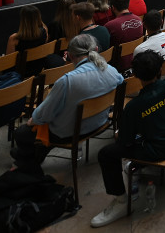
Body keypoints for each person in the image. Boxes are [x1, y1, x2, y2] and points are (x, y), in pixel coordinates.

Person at [90, 51, 165, 227]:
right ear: (160, 69)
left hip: (160, 150)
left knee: (106, 153)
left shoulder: (134, 106)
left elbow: (125, 142)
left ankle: (120, 202)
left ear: (135, 75)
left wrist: (121, 133)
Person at [12, 34, 123, 170]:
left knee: (22, 132)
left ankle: (27, 164)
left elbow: (42, 115)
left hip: (69, 133)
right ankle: (29, 157)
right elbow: (121, 84)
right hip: (100, 122)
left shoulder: (67, 81)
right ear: (96, 49)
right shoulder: (112, 71)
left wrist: (33, 120)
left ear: (70, 56)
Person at [104, 0, 145, 70]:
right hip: (138, 60)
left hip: (119, 66)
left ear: (113, 8)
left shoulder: (110, 25)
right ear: (127, 5)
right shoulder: (139, 20)